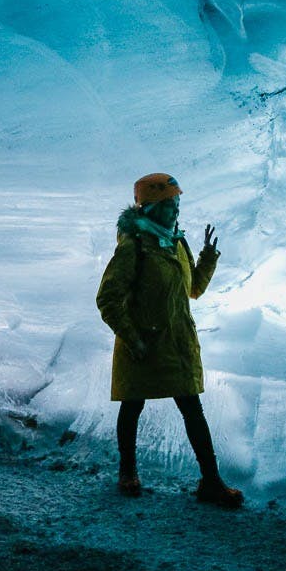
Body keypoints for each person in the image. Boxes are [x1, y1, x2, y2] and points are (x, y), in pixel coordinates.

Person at [95, 173, 244, 508]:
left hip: (177, 344)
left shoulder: (176, 242)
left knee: (192, 409)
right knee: (133, 405)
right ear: (148, 208)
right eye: (167, 204)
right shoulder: (134, 246)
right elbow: (107, 298)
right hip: (143, 345)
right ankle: (128, 471)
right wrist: (133, 339)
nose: (175, 210)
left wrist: (207, 257)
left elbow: (193, 289)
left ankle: (211, 482)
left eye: (177, 202)